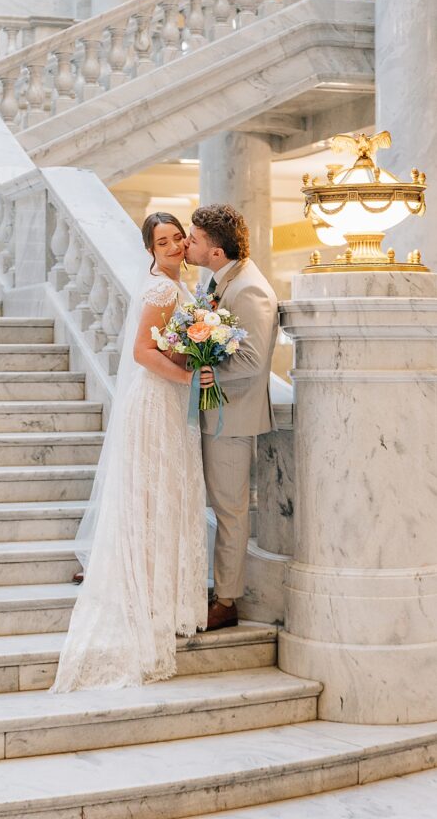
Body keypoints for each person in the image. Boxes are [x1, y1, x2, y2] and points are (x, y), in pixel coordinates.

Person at [50, 212, 209, 692]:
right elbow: (143, 352)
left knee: (167, 494)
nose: (174, 246)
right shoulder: (161, 289)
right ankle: (148, 597)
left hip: (169, 400)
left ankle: (164, 594)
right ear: (150, 250)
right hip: (156, 400)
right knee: (153, 496)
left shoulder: (180, 286)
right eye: (163, 242)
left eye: (178, 238)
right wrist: (188, 377)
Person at [184, 204, 278, 631]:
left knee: (230, 511)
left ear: (216, 251)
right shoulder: (219, 279)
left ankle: (226, 601)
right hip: (212, 414)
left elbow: (252, 362)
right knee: (219, 507)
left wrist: (208, 371)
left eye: (195, 239)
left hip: (232, 418)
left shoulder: (249, 289)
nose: (188, 244)